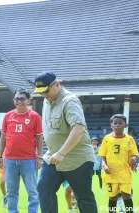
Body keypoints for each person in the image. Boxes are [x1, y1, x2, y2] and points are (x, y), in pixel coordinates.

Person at [34, 72, 97, 213]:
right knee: (44, 189)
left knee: (83, 198)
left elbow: (79, 128)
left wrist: (62, 152)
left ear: (57, 84)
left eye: (46, 91)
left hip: (77, 159)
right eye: (40, 92)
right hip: (53, 157)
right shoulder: (47, 100)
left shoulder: (70, 101)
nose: (44, 95)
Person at [0, 88, 44, 213]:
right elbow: (3, 137)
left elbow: (39, 137)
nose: (19, 101)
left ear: (29, 100)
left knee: (32, 191)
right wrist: (0, 156)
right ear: (13, 101)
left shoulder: (35, 116)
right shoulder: (8, 116)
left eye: (22, 99)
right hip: (10, 160)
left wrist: (40, 156)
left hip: (29, 160)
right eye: (16, 99)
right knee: (11, 192)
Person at [99, 114, 139, 213]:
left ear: (126, 125)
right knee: (113, 197)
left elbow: (135, 154)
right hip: (111, 173)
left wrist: (134, 159)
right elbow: (102, 155)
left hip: (125, 173)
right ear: (111, 125)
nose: (117, 125)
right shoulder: (107, 139)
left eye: (120, 123)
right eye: (115, 123)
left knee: (127, 195)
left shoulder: (130, 139)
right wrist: (104, 165)